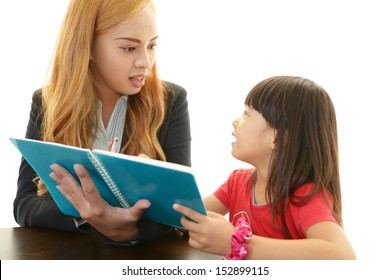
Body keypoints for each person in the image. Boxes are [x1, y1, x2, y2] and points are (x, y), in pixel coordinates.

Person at [14, 0, 191, 245]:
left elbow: (181, 210)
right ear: (88, 47)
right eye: (129, 48)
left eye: (152, 46)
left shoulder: (170, 101)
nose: (145, 62)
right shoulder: (47, 102)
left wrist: (129, 231)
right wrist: (89, 216)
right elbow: (25, 204)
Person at [173, 76, 356, 259]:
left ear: (278, 138)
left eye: (246, 113)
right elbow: (184, 217)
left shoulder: (304, 197)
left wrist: (238, 243)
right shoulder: (237, 183)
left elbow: (343, 255)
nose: (235, 122)